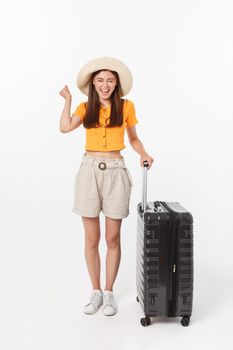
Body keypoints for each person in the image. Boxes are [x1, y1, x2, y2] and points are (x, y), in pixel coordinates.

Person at [59, 57, 154, 316]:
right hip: (89, 171)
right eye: (100, 80)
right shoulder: (84, 107)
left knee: (112, 237)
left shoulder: (126, 106)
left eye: (110, 80)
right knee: (92, 238)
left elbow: (133, 138)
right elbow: (65, 127)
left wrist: (143, 153)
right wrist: (67, 101)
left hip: (116, 172)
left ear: (117, 83)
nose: (105, 85)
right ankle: (95, 291)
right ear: (93, 82)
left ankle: (109, 292)